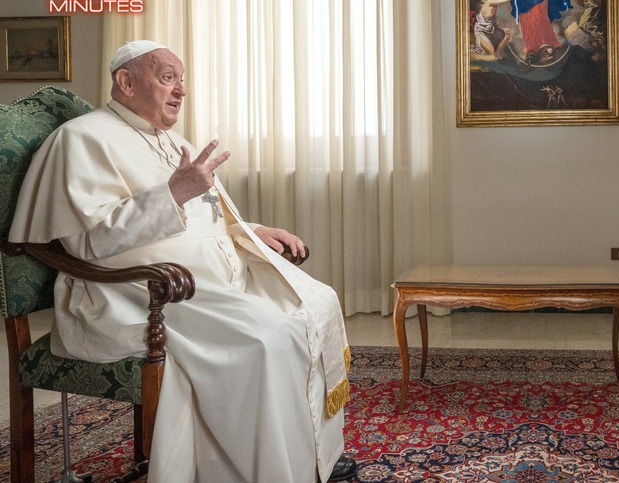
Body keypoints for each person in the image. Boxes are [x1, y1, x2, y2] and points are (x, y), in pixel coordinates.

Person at [9, 41, 358, 483]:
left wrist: (251, 231)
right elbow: (87, 241)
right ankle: (265, 472)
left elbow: (203, 217)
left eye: (182, 80)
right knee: (269, 336)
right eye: (167, 77)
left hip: (202, 282)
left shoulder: (174, 139)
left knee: (313, 304)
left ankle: (312, 458)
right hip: (130, 291)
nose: (181, 91)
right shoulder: (81, 138)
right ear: (126, 81)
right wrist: (174, 192)